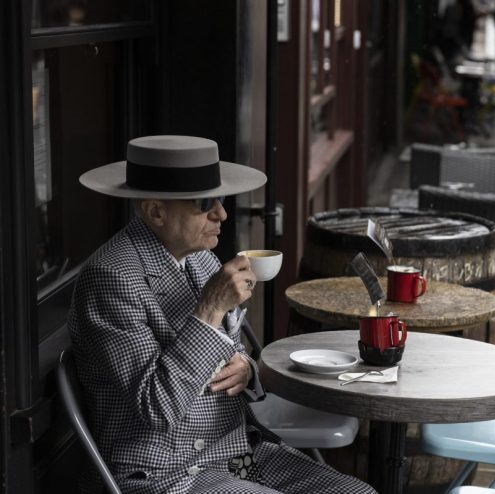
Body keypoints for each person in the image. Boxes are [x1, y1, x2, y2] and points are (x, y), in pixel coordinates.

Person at [68, 135, 376, 494]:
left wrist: (245, 368)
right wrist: (211, 307)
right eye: (203, 204)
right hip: (169, 472)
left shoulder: (200, 258)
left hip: (236, 453)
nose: (222, 214)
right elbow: (158, 406)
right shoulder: (111, 278)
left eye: (221, 199)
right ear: (155, 212)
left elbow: (227, 351)